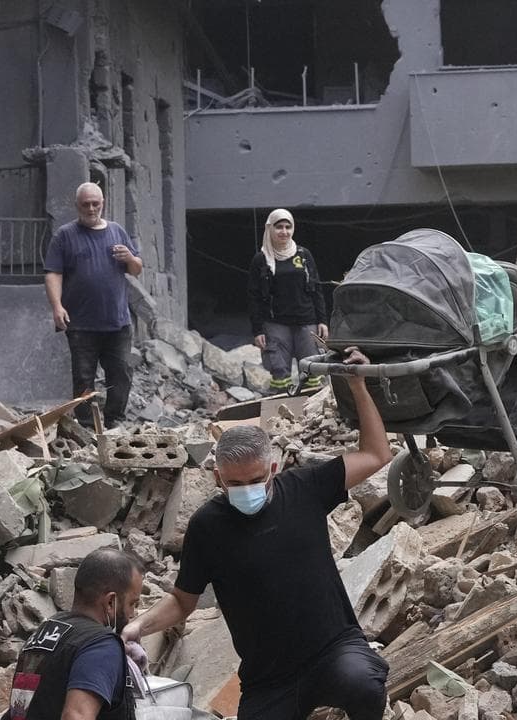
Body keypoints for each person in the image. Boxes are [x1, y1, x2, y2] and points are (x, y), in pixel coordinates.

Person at [122, 347, 392, 720]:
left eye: (256, 480)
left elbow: (377, 454)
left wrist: (358, 387)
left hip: (334, 651)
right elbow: (184, 602)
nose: (247, 489)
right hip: (270, 679)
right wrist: (137, 626)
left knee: (363, 682)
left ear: (273, 468)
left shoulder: (305, 489)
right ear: (217, 478)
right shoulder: (207, 526)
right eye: (235, 483)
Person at [44, 182, 143, 429]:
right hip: (81, 324)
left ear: (103, 203)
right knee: (84, 378)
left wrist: (131, 258)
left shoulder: (117, 231)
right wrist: (57, 306)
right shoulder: (65, 235)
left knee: (120, 373)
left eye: (95, 203)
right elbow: (53, 273)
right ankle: (86, 425)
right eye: (85, 204)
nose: (91, 208)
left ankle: (115, 421)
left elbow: (137, 269)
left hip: (117, 322)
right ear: (77, 205)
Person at [5, 548, 145, 720]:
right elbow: (76, 716)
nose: (133, 614)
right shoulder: (101, 646)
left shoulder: (50, 628)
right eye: (133, 603)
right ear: (110, 602)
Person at [248, 209, 329, 394]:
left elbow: (316, 289)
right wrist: (257, 329)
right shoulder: (261, 260)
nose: (284, 232)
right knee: (279, 374)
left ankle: (311, 416)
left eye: (288, 227)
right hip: (275, 324)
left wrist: (322, 320)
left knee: (312, 372)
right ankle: (280, 414)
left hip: (306, 322)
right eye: (279, 227)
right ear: (270, 229)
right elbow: (253, 297)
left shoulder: (303, 254)